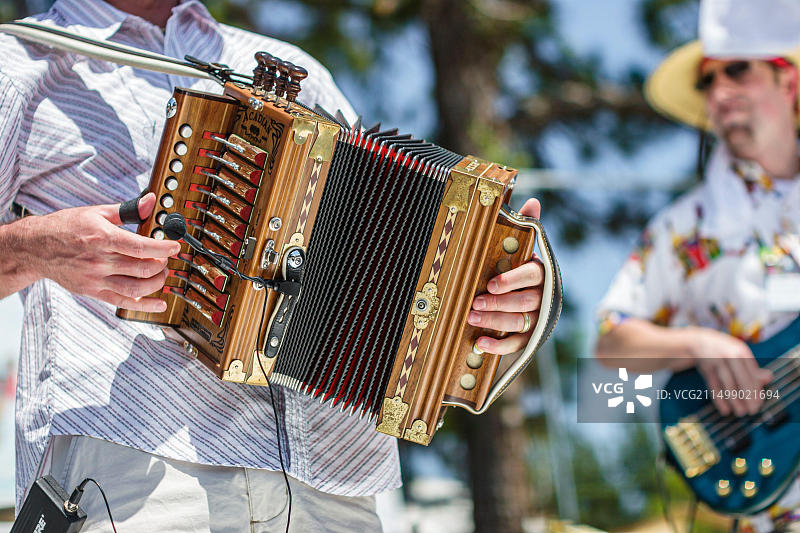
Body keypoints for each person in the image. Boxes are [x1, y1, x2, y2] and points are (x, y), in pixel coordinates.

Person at [0, 0, 547, 531]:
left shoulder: (297, 68)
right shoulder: (19, 60)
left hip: (334, 477)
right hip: (143, 463)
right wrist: (35, 248)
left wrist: (503, 292)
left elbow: (396, 242)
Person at [596, 0, 800, 531]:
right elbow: (610, 341)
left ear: (790, 82)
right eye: (708, 81)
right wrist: (698, 345)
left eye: (737, 68)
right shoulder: (681, 227)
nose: (719, 91)